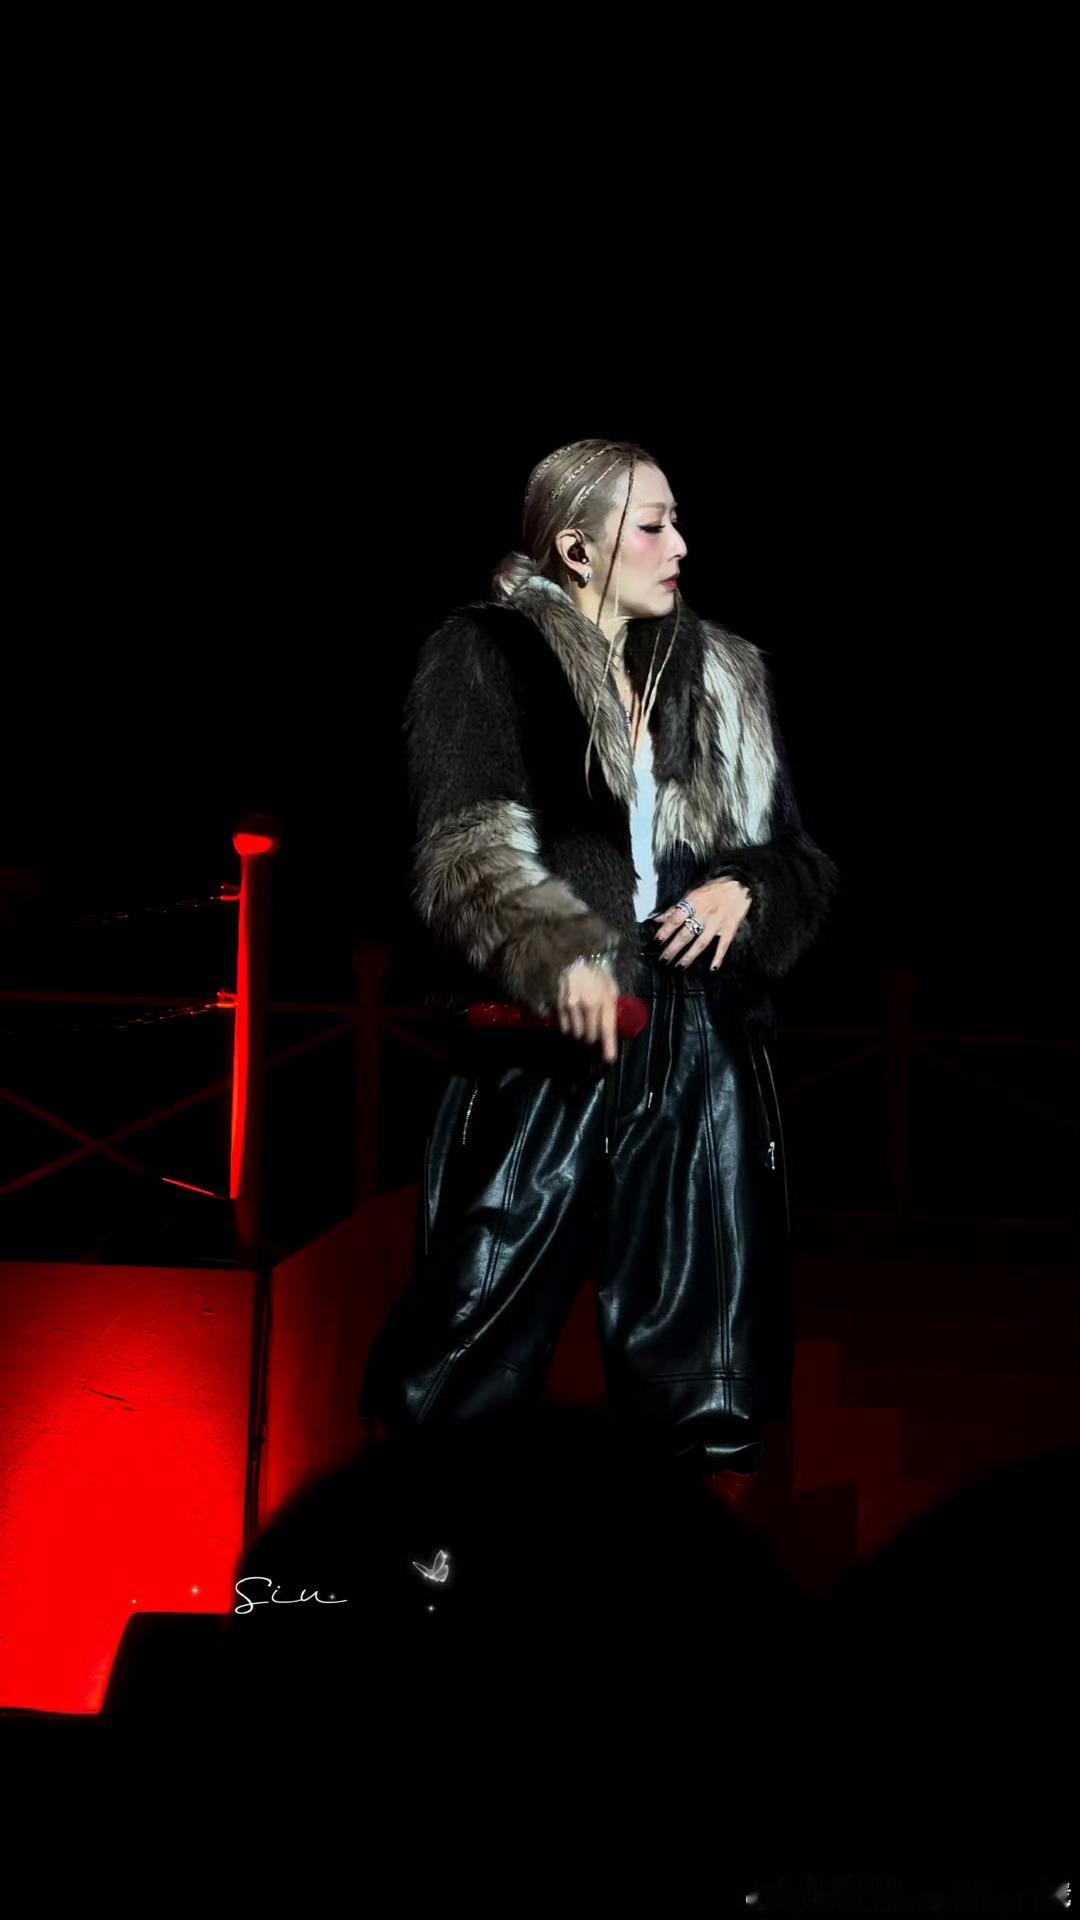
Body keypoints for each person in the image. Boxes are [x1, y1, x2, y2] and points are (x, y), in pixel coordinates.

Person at [358, 437, 839, 1481]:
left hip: (697, 1028)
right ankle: (423, 1548)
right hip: (553, 1028)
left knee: (704, 1366)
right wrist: (558, 955)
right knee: (474, 1322)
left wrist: (748, 888)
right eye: (653, 525)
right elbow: (467, 845)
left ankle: (680, 1551)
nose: (681, 544)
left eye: (676, 520)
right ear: (577, 548)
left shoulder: (726, 672)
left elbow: (799, 861)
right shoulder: (488, 651)